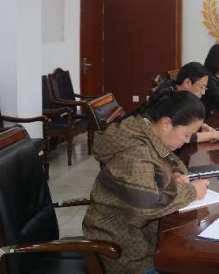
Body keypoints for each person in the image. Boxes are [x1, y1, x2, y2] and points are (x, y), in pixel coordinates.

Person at [83, 90, 210, 274]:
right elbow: (146, 208)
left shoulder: (146, 131)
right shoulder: (135, 154)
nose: (187, 140)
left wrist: (174, 174)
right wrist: (191, 192)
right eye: (186, 134)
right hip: (125, 249)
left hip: (140, 235)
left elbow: (170, 161)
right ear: (166, 124)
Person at [174, 61, 219, 142]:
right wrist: (216, 135)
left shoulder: (181, 94)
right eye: (202, 87)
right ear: (187, 83)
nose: (203, 93)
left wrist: (201, 126)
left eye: (204, 88)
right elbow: (182, 136)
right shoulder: (169, 98)